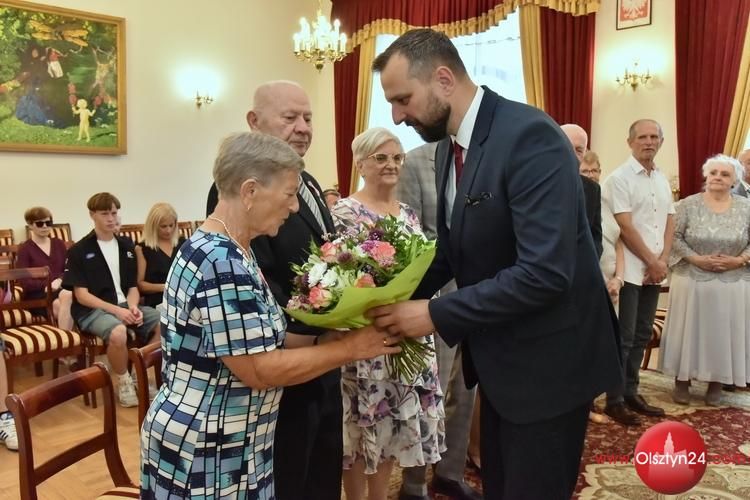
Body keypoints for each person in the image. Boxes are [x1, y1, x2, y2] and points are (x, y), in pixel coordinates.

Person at [367, 29, 622, 499]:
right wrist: (380, 296)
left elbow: (545, 273)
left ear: (443, 78)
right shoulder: (448, 147)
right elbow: (452, 247)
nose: (397, 117)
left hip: (550, 364)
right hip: (503, 360)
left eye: (403, 99)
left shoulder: (529, 136)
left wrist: (431, 314)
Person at [140, 132, 401, 499]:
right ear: (249, 191)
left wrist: (333, 335)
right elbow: (260, 369)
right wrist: (350, 349)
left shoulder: (232, 248)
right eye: (289, 193)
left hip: (236, 439)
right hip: (209, 446)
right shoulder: (220, 262)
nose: (295, 207)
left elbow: (260, 337)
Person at [206, 81, 342, 500]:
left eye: (308, 118)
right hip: (282, 363)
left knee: (322, 472)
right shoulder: (234, 197)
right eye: (290, 118)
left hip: (319, 359)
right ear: (254, 122)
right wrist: (326, 328)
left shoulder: (310, 182)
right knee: (290, 476)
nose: (302, 127)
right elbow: (259, 283)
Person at [330, 128, 445, 500]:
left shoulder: (408, 213)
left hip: (406, 336)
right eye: (380, 158)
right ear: (360, 163)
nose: (391, 165)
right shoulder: (344, 212)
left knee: (392, 426)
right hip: (363, 337)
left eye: (396, 157)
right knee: (361, 426)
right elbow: (339, 277)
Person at [397, 140, 481, 500]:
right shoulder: (415, 162)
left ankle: (449, 472)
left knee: (466, 390)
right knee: (429, 392)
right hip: (435, 297)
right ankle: (413, 483)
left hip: (479, 294)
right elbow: (409, 236)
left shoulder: (484, 157)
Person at [659, 155, 750, 406]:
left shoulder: (746, 207)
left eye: (725, 174)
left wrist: (739, 260)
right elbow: (673, 236)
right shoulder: (688, 204)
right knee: (688, 330)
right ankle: (682, 381)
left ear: (735, 181)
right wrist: (696, 259)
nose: (718, 177)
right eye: (714, 173)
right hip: (691, 277)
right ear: (705, 176)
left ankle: (716, 384)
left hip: (733, 281)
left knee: (722, 333)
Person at [604, 119, 674, 422]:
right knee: (625, 336)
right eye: (643, 137)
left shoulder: (660, 178)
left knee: (644, 332)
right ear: (630, 141)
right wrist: (651, 261)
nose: (649, 142)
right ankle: (614, 398)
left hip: (654, 271)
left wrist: (663, 259)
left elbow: (670, 219)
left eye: (654, 137)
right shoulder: (618, 178)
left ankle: (632, 391)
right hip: (631, 270)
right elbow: (625, 226)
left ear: (661, 141)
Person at [63, 192, 161, 408]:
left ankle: (138, 373)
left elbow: (133, 288)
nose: (111, 218)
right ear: (92, 215)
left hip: (126, 305)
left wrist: (133, 307)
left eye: (114, 213)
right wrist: (118, 311)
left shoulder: (126, 246)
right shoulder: (79, 250)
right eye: (105, 213)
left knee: (166, 321)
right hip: (92, 310)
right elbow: (81, 295)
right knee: (118, 332)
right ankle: (124, 379)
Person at [16, 206, 73, 329]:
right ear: (30, 225)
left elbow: (68, 268)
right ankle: (69, 341)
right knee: (67, 301)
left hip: (60, 291)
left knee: (65, 300)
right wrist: (47, 285)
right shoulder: (25, 249)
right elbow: (24, 282)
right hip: (37, 295)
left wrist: (60, 280)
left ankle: (64, 341)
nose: (45, 227)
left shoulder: (58, 244)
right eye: (40, 224)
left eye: (48, 223)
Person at [561, 124, 602, 257]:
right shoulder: (534, 183)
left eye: (579, 150)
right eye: (566, 145)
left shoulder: (593, 189)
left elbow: (595, 236)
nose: (572, 154)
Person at [134, 203, 185, 310]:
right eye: (163, 226)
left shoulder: (182, 243)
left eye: (171, 225)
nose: (168, 230)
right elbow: (140, 284)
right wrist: (166, 287)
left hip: (183, 298)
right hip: (158, 301)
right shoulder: (143, 248)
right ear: (153, 225)